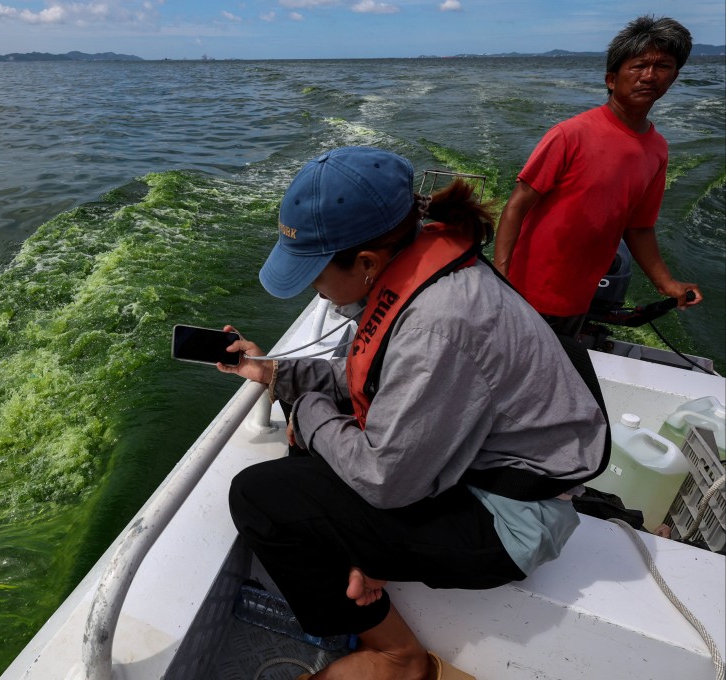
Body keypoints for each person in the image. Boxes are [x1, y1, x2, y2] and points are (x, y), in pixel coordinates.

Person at [218, 146, 607, 680]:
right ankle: (365, 561)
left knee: (261, 496)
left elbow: (385, 481)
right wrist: (277, 373)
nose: (313, 290)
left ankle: (398, 657)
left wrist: (305, 408)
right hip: (472, 466)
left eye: (313, 274)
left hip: (508, 518)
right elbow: (370, 377)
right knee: (310, 454)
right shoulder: (419, 275)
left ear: (368, 263)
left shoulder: (435, 323)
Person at [494, 15, 702, 337]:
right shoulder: (570, 134)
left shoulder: (657, 149)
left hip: (578, 298)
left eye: (663, 66)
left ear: (674, 77)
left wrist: (666, 283)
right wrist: (501, 274)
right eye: (638, 65)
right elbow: (518, 203)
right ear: (611, 79)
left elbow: (639, 227)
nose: (649, 76)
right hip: (525, 293)